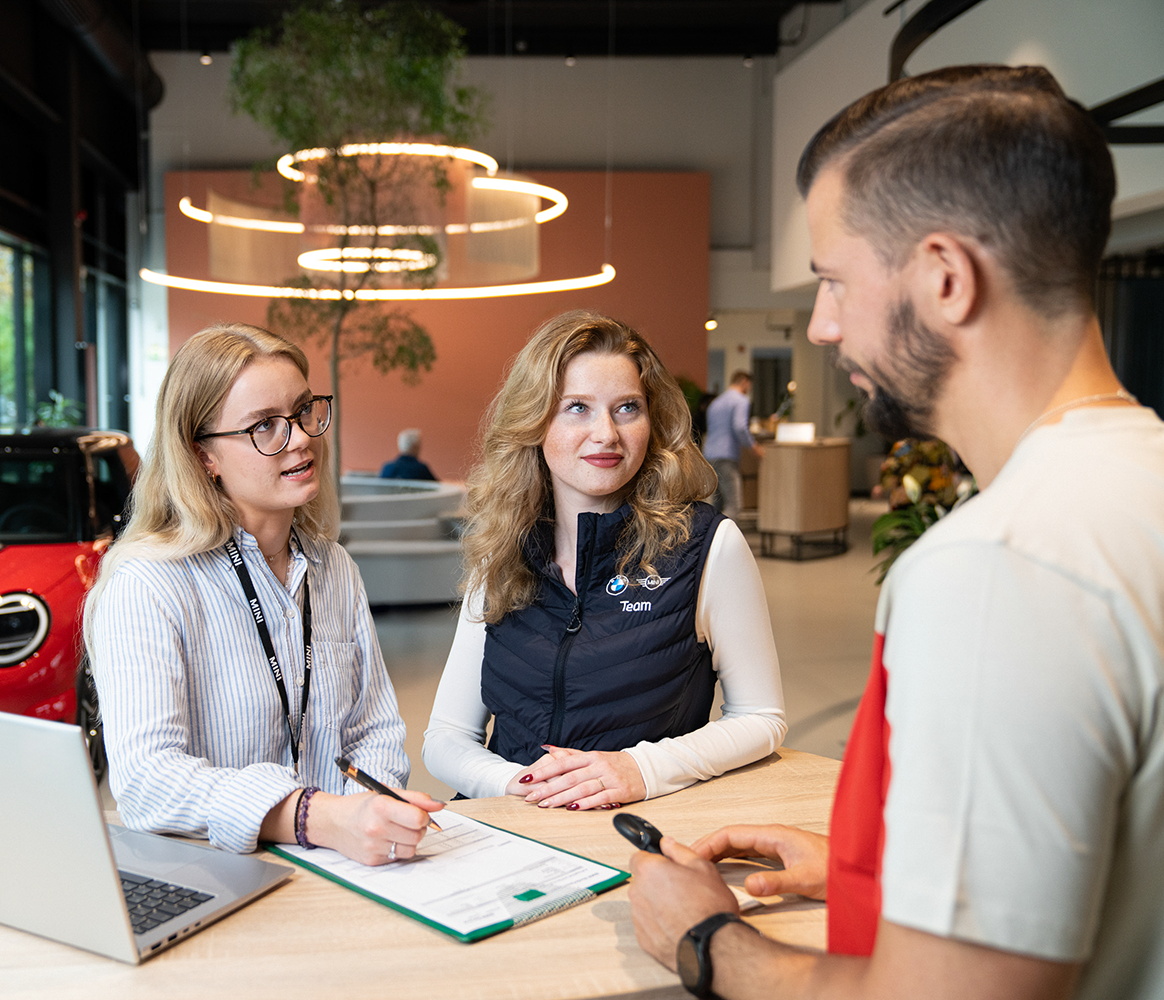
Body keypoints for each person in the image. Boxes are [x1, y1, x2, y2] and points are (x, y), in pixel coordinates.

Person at [628, 65, 1164, 1000]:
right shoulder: (1135, 479)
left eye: (835, 282)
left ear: (947, 279)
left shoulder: (999, 565)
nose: (825, 326)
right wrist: (876, 866)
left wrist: (706, 939)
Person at [84, 323, 442, 866]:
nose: (299, 438)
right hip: (223, 878)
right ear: (204, 456)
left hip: (348, 868)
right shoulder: (147, 585)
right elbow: (147, 782)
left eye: (302, 412)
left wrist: (365, 815)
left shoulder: (334, 568)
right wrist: (314, 818)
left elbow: (376, 731)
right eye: (264, 427)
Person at [422, 310, 786, 808]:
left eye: (627, 408)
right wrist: (522, 786)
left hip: (633, 831)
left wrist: (642, 768)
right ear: (535, 421)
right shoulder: (504, 549)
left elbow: (761, 717)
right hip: (507, 832)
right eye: (577, 407)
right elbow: (445, 736)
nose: (606, 434)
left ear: (651, 421)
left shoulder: (707, 545)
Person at [703, 371, 761, 522]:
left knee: (716, 504)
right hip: (726, 456)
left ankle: (709, 541)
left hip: (709, 455)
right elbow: (740, 426)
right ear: (744, 383)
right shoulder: (741, 401)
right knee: (734, 505)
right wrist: (753, 446)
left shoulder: (716, 402)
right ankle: (724, 540)